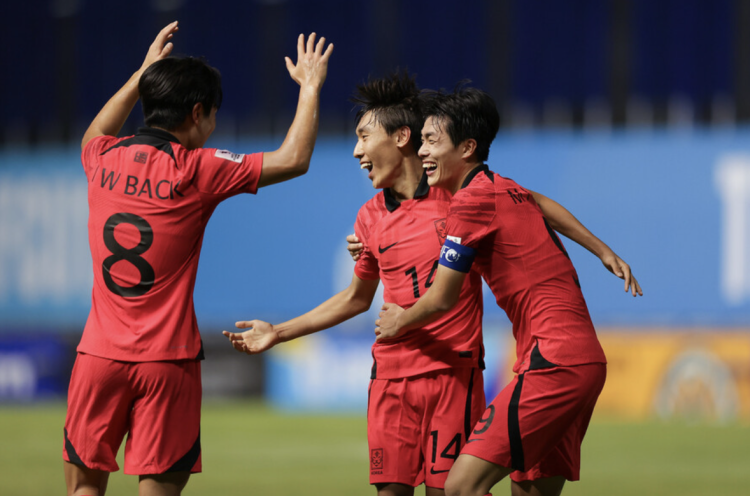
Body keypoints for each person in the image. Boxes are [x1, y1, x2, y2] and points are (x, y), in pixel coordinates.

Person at [223, 73, 638, 496]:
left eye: (364, 136)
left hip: (461, 374)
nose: (356, 151)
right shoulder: (373, 217)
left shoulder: (460, 197)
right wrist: (279, 332)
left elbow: (448, 290)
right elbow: (355, 298)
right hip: (395, 376)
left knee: (457, 488)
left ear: (401, 138)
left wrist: (402, 318)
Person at [63, 22, 333, 496]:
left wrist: (142, 74)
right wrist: (310, 87)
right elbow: (293, 158)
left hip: (97, 357)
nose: (212, 129)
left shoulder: (101, 158)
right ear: (197, 112)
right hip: (167, 362)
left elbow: (93, 132)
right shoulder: (197, 169)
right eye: (212, 117)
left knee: (83, 490)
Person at [375, 86, 642, 496]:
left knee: (460, 486)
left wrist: (401, 320)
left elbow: (443, 297)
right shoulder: (503, 187)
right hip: (584, 361)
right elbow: (542, 202)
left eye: (431, 141)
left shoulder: (471, 202)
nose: (422, 152)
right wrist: (602, 250)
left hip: (552, 362)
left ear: (466, 147)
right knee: (530, 490)